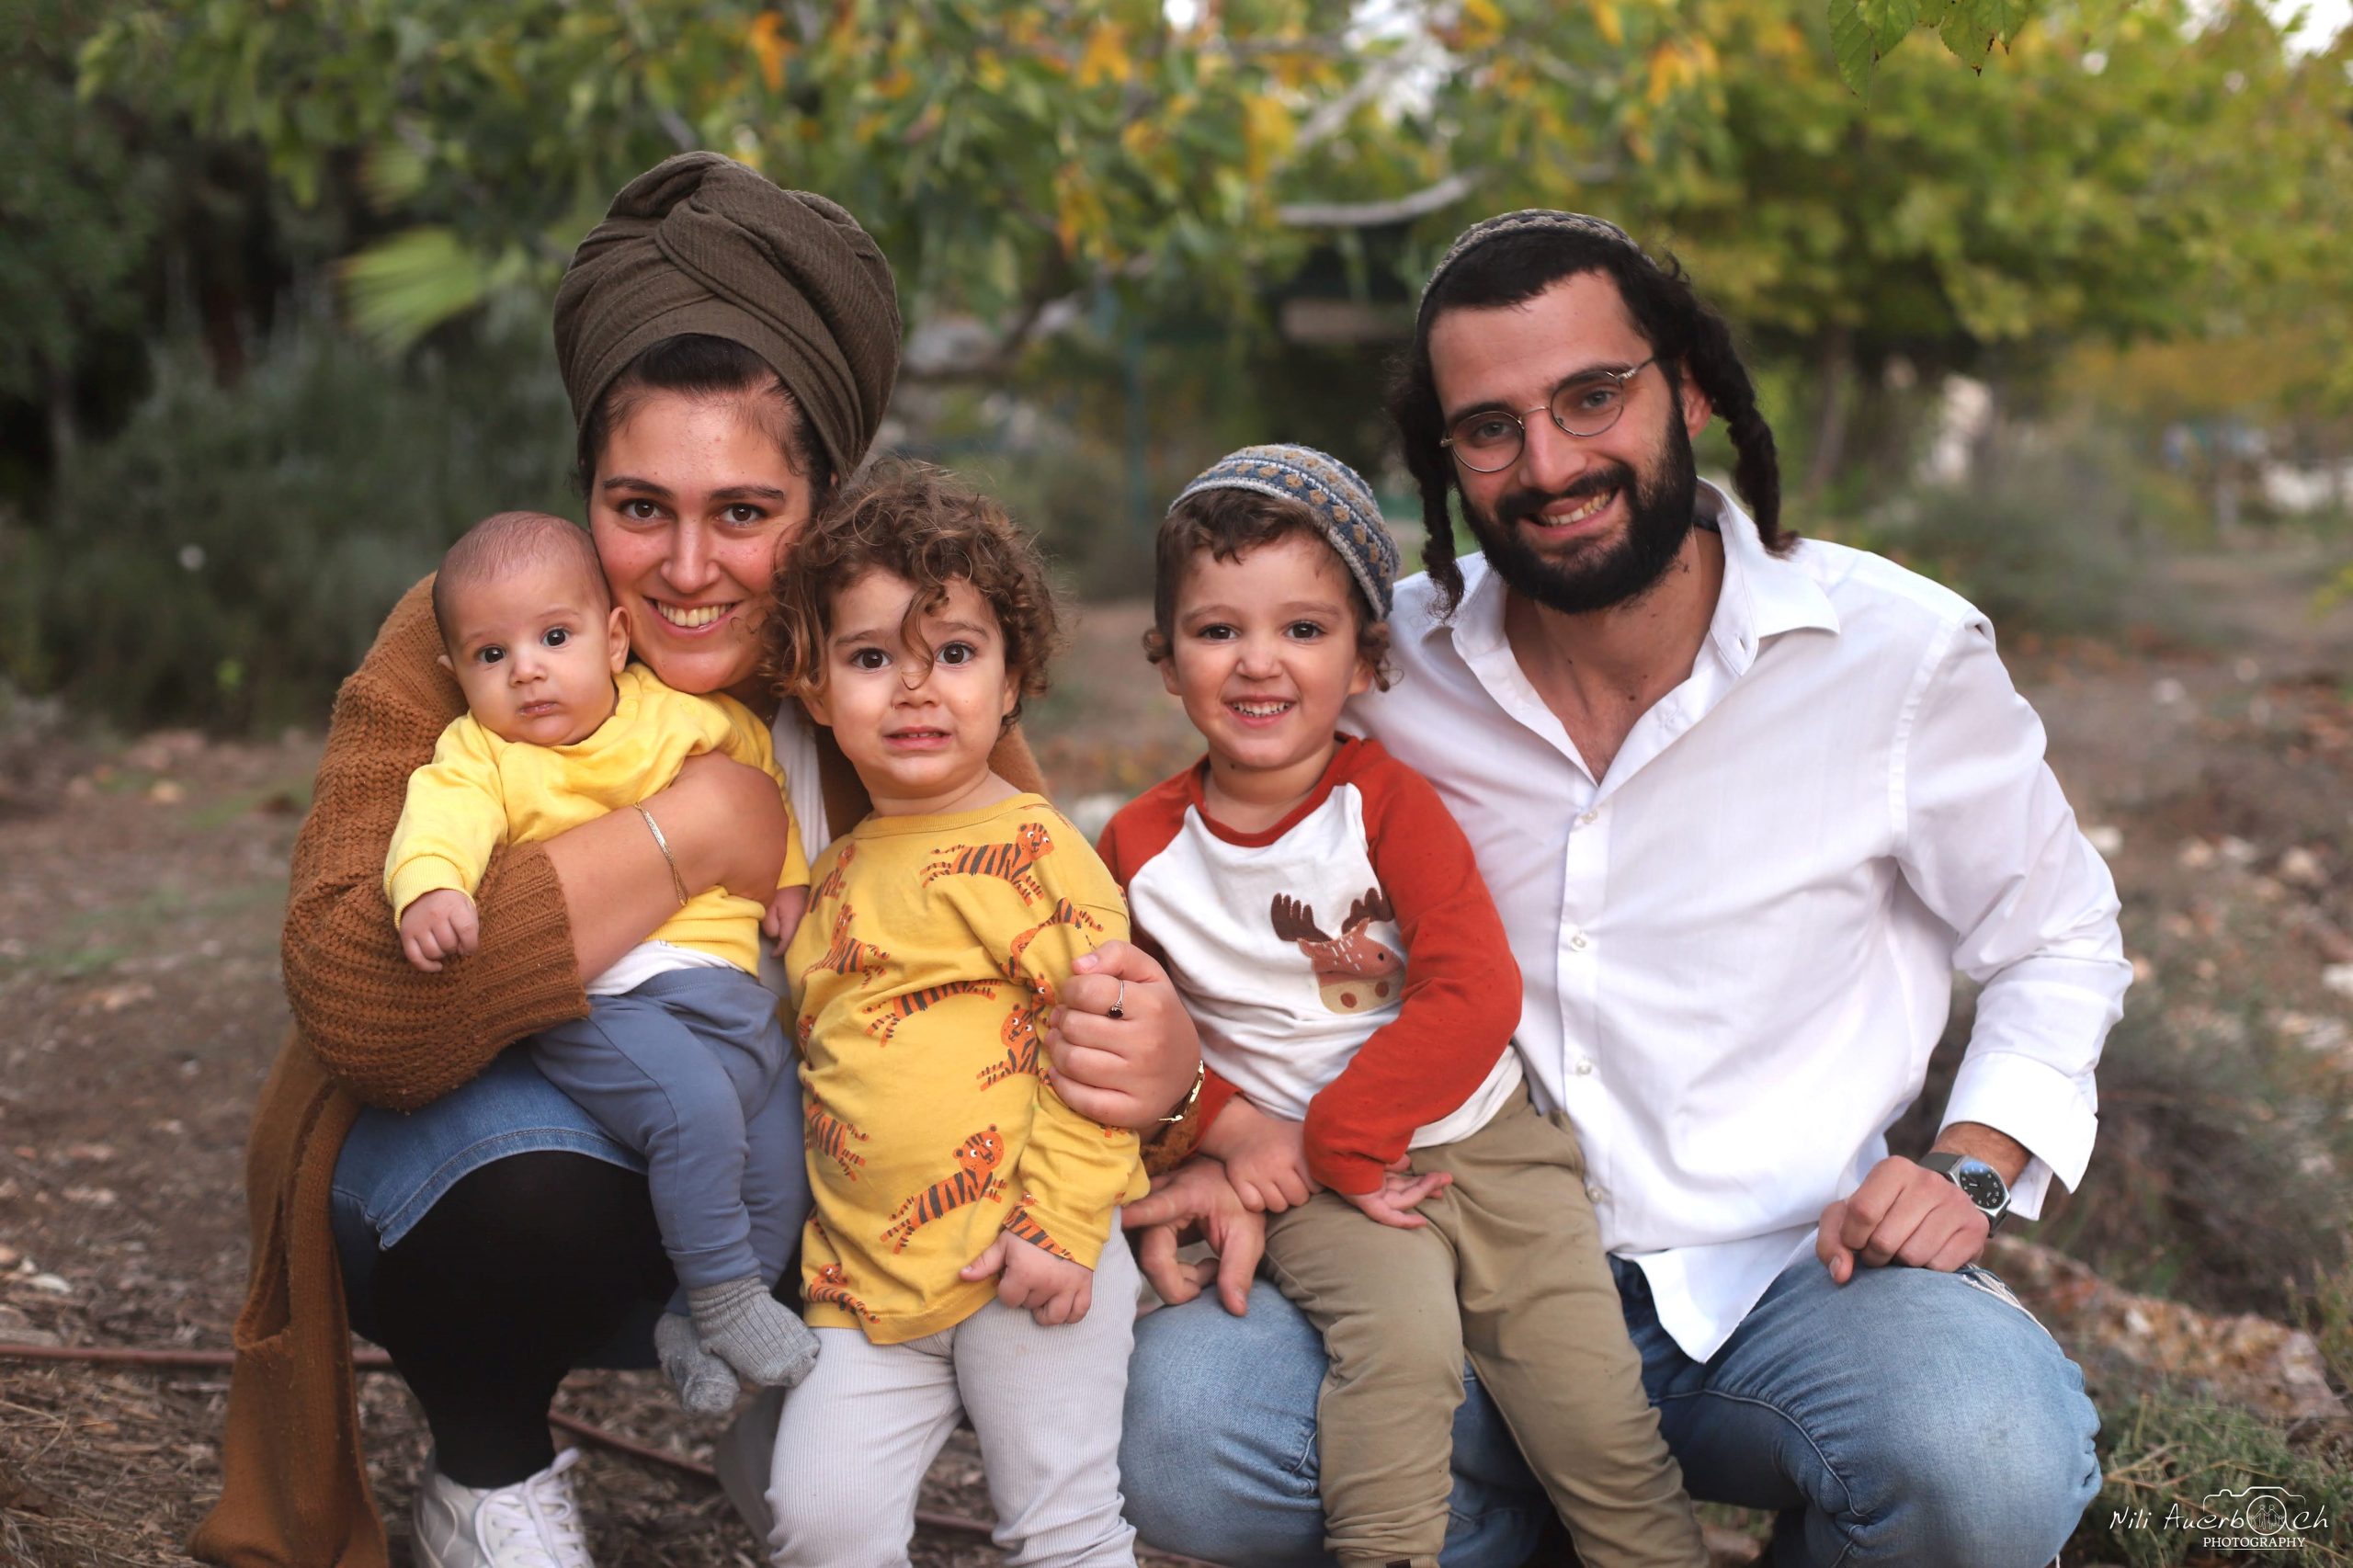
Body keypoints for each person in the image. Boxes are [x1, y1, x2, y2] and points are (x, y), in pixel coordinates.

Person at [194, 153, 1199, 1568]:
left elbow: (1052, 951)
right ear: (583, 495)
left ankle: (786, 1380)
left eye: (742, 512)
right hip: (504, 1177)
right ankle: (489, 1471)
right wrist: (685, 839)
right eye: (638, 507)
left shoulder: (887, 668)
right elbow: (362, 1004)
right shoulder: (479, 637)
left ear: (824, 505)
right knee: (526, 1172)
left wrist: (1171, 1080)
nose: (683, 568)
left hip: (806, 1186)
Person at [1120, 210, 2130, 1568]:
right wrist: (1208, 1121)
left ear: (1690, 388)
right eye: (1490, 429)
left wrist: (1974, 1163)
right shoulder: (1372, 664)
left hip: (1790, 1284)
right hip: (1443, 1251)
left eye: (1592, 396)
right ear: (1446, 454)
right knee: (1189, 1426)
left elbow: (2059, 935)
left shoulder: (1892, 657)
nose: (1549, 464)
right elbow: (1195, 873)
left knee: (1982, 1452)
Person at [1098, 444, 1707, 1568]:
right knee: (1402, 1350)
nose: (1257, 661)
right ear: (1167, 659)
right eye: (1217, 629)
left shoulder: (1384, 802)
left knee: (1595, 1418)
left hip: (1481, 1143)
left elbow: (1473, 988)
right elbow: (1134, 1038)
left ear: (1366, 659)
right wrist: (1234, 1134)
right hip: (1314, 1179)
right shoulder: (1141, 848)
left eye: (1303, 628)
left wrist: (1351, 1130)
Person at [718, 464, 1145, 1567]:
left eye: (953, 653)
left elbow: (1105, 1053)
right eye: (871, 658)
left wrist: (1060, 1224)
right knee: (815, 1516)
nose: (914, 689)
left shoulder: (1038, 852)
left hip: (1024, 1252)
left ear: (1012, 680)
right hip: (863, 1278)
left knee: (1059, 1525)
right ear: (814, 688)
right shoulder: (832, 874)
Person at [387, 508, 817, 1415]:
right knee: (694, 1112)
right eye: (492, 655)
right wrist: (431, 889)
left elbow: (763, 783)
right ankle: (727, 1295)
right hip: (608, 1003)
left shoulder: (683, 719)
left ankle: (693, 1321)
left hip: (731, 998)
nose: (527, 669)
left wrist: (787, 879)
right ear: (457, 676)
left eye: (554, 637)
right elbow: (438, 820)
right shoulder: (483, 755)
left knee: (781, 1161)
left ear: (614, 639)